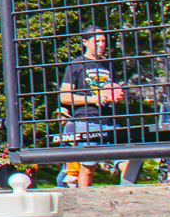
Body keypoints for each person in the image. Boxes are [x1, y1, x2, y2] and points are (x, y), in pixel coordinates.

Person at [59, 26, 138, 186]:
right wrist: (94, 99)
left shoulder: (108, 65)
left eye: (103, 41)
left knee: (129, 164)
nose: (102, 44)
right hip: (87, 121)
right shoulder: (75, 65)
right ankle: (85, 203)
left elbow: (112, 90)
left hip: (110, 121)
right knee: (88, 168)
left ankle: (126, 199)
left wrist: (117, 96)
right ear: (85, 43)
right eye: (97, 41)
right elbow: (65, 97)